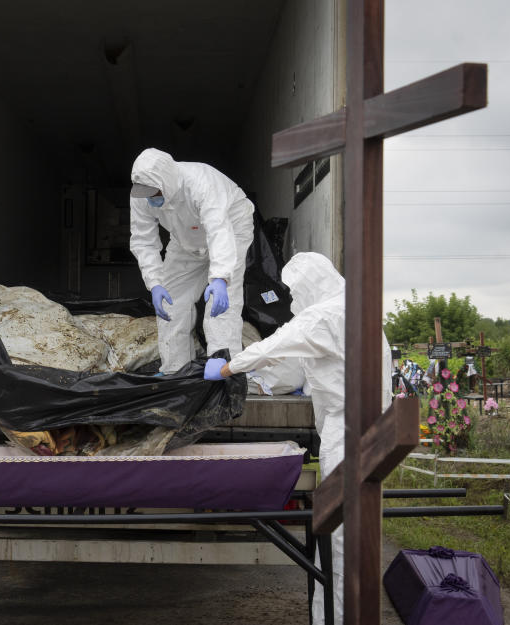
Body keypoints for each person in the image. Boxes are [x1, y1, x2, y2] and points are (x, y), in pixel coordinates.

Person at [201, 252, 392, 625]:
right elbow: (295, 358)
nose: (291, 299)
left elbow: (278, 344)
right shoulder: (354, 307)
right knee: (355, 534)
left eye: (293, 290)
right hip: (371, 431)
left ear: (308, 284)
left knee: (338, 542)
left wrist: (226, 367)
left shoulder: (324, 315)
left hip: (349, 434)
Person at [128, 148, 255, 374]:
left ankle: (223, 365)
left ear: (166, 181)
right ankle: (175, 369)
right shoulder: (140, 196)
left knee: (219, 303)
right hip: (185, 238)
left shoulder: (201, 182)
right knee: (170, 300)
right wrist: (155, 282)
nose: (149, 198)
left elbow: (218, 230)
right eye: (145, 193)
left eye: (153, 192)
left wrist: (220, 278)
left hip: (231, 229)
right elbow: (143, 240)